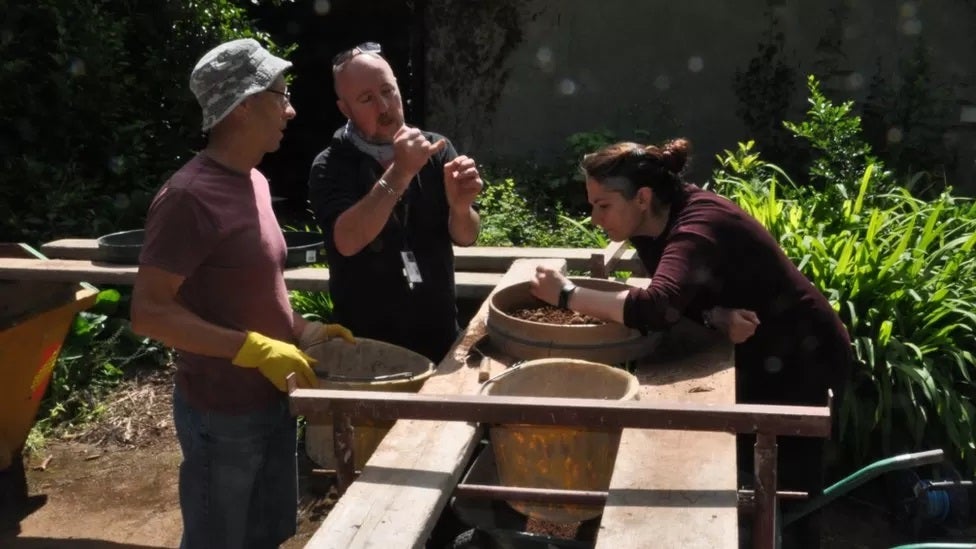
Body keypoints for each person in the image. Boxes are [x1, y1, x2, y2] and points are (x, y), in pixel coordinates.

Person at [530, 138, 852, 548]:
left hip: (805, 357)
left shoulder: (698, 226)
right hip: (758, 351)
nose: (595, 218)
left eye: (603, 205)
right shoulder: (652, 225)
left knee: (792, 491)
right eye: (592, 205)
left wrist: (566, 295)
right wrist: (711, 315)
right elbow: (683, 297)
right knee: (744, 473)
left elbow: (658, 306)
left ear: (643, 197)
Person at [130, 38, 354, 549]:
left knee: (267, 534)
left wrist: (303, 329)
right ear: (246, 104)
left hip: (273, 398)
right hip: (221, 413)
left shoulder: (252, 179)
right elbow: (148, 313)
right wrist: (250, 349)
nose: (291, 110)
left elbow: (255, 284)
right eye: (281, 95)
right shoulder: (188, 197)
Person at [308, 41, 483, 363]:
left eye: (389, 91)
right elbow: (346, 241)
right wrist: (400, 172)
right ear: (345, 109)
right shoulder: (330, 164)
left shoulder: (437, 149)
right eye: (367, 99)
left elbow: (466, 235)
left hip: (440, 336)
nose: (384, 106)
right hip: (368, 348)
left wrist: (461, 207)